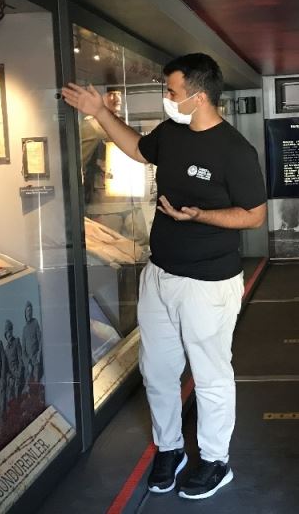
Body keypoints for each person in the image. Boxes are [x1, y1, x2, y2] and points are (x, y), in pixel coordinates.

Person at [62, 53, 267, 501]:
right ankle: (169, 448)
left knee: (210, 375)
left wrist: (200, 216)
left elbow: (254, 215)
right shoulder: (172, 133)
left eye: (172, 91)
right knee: (157, 370)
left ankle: (215, 460)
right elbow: (139, 149)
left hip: (209, 284)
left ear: (199, 96)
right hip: (159, 275)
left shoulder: (234, 150)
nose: (166, 98)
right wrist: (99, 113)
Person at [81, 86, 148, 245]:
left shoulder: (123, 122)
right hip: (105, 204)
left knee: (141, 244)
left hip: (130, 198)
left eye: (118, 93)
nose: (116, 98)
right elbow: (79, 163)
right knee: (109, 246)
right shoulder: (92, 126)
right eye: (111, 94)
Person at [4, 319, 26, 401]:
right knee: (10, 399)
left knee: (18, 398)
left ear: (12, 331)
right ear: (5, 335)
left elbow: (21, 359)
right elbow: (6, 367)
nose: (9, 334)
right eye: (7, 332)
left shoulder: (16, 342)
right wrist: (9, 377)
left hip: (18, 375)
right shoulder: (6, 349)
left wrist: (19, 375)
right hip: (11, 378)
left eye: (10, 331)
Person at [21, 301, 43, 382]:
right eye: (27, 311)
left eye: (30, 310)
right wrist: (27, 363)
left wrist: (38, 355)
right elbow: (23, 351)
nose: (29, 313)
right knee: (27, 384)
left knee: (36, 382)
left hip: (36, 361)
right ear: (25, 313)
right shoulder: (24, 329)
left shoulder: (35, 322)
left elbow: (40, 340)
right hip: (28, 364)